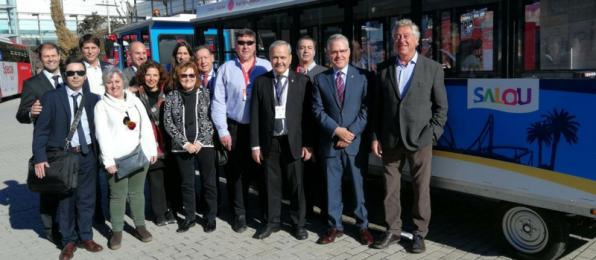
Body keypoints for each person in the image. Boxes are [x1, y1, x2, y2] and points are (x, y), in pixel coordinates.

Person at [370, 19, 448, 253]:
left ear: (416, 40)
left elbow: (441, 108)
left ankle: (418, 234)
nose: (401, 40)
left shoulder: (432, 68)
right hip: (390, 140)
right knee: (390, 188)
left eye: (406, 36)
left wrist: (432, 135)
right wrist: (375, 137)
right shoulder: (383, 68)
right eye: (397, 36)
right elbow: (377, 108)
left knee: (420, 189)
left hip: (420, 140)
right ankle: (392, 230)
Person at [32, 57, 103, 260]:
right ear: (65, 75)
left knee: (87, 199)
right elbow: (41, 131)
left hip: (87, 154)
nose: (75, 76)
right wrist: (39, 157)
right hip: (63, 157)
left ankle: (86, 237)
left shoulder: (93, 98)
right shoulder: (51, 97)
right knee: (66, 201)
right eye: (71, 73)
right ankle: (68, 241)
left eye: (80, 73)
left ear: (85, 75)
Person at [312, 34, 373, 246]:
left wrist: (351, 133)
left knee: (358, 187)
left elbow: (367, 109)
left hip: (354, 144)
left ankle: (363, 226)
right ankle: (334, 226)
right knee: (332, 187)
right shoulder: (320, 79)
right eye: (334, 51)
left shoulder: (364, 76)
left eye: (342, 51)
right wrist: (337, 130)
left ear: (349, 52)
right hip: (330, 142)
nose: (338, 55)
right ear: (328, 54)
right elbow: (317, 110)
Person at [250, 40, 314, 240]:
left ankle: (298, 224)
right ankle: (272, 222)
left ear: (290, 58)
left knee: (297, 185)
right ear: (270, 59)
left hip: (293, 141)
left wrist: (308, 144)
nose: (279, 61)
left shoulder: (302, 82)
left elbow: (308, 117)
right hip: (270, 141)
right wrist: (255, 145)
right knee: (271, 184)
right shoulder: (261, 82)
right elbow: (255, 116)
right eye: (275, 57)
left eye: (282, 57)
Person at [211, 28, 272, 233]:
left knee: (262, 172)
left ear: (256, 45)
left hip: (260, 129)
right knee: (236, 175)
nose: (245, 46)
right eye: (241, 42)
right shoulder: (226, 69)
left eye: (249, 42)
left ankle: (266, 215)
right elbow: (218, 102)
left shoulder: (266, 66)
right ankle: (239, 214)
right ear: (235, 45)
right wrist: (223, 131)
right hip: (235, 128)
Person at [94, 68, 157, 250]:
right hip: (117, 160)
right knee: (117, 196)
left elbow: (145, 126)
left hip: (139, 155)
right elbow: (102, 135)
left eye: (117, 81)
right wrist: (108, 161)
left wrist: (151, 149)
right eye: (109, 82)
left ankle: (140, 227)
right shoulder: (101, 106)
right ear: (104, 85)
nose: (114, 85)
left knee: (137, 193)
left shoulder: (134, 101)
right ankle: (116, 232)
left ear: (123, 82)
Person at [15, 42, 63, 243]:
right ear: (41, 59)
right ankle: (50, 229)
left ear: (59, 55)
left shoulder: (71, 77)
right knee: (49, 189)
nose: (51, 59)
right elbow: (20, 114)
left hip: (70, 144)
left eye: (53, 55)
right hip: (47, 145)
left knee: (68, 186)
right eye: (46, 56)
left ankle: (67, 226)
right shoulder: (32, 84)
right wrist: (30, 112)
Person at [164, 62, 218, 233]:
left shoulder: (206, 94)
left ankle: (210, 217)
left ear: (196, 77)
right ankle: (189, 217)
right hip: (182, 147)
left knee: (208, 182)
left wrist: (200, 142)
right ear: (178, 78)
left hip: (205, 144)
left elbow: (212, 119)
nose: (187, 79)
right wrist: (185, 143)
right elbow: (168, 122)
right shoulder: (171, 96)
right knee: (187, 183)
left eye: (191, 75)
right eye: (183, 75)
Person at [134, 61, 177, 226]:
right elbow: (128, 121)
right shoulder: (136, 96)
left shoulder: (168, 92)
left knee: (171, 178)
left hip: (168, 141)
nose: (151, 78)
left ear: (160, 77)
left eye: (155, 75)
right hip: (150, 143)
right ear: (143, 76)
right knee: (155, 179)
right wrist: (133, 129)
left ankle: (171, 210)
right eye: (148, 75)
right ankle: (159, 213)